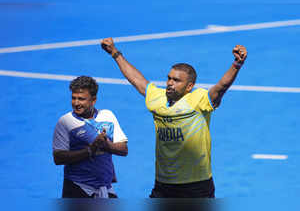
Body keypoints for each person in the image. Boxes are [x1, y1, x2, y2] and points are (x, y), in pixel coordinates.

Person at [101, 37, 247, 198]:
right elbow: (137, 80)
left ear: (189, 86)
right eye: (169, 78)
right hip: (164, 184)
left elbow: (221, 87)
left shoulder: (198, 100)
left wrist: (236, 65)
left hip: (197, 184)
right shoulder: (157, 98)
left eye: (176, 80)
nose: (170, 83)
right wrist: (115, 53)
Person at [52, 76, 128, 198]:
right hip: (77, 188)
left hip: (105, 188)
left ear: (93, 100)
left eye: (81, 99)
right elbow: (58, 157)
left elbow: (124, 149)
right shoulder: (65, 122)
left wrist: (106, 146)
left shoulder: (107, 116)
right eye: (73, 98)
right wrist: (89, 150)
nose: (76, 103)